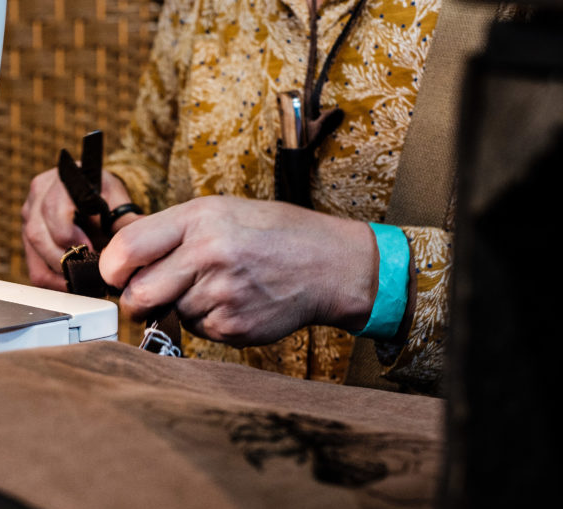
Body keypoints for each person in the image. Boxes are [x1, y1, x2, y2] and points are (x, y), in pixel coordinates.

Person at [22, 0, 450, 395]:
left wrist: (364, 274)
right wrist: (112, 197)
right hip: (197, 408)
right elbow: (153, 156)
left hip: (413, 436)